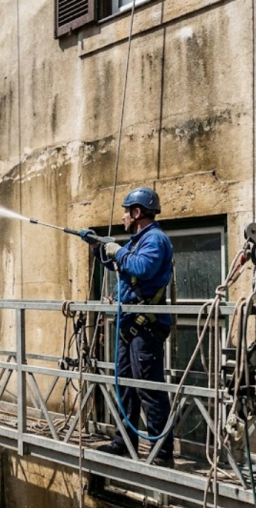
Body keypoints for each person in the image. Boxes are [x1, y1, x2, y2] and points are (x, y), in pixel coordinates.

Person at [80, 187, 175, 467]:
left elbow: (142, 268)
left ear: (136, 213)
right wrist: (99, 249)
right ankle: (124, 440)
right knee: (125, 386)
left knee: (148, 388)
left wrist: (117, 250)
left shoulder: (155, 240)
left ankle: (162, 452)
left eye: (126, 211)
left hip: (145, 329)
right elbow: (123, 266)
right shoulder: (138, 241)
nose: (122, 216)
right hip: (128, 327)